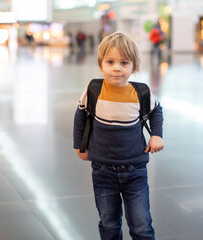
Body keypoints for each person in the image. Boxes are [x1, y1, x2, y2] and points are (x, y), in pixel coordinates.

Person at [73, 31, 164, 240]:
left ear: (134, 67)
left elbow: (156, 111)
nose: (117, 68)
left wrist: (156, 135)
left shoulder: (140, 92)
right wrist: (79, 146)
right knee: (109, 223)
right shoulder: (94, 89)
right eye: (110, 61)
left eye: (124, 63)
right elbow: (80, 116)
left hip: (135, 170)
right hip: (102, 170)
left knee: (141, 225)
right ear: (101, 64)